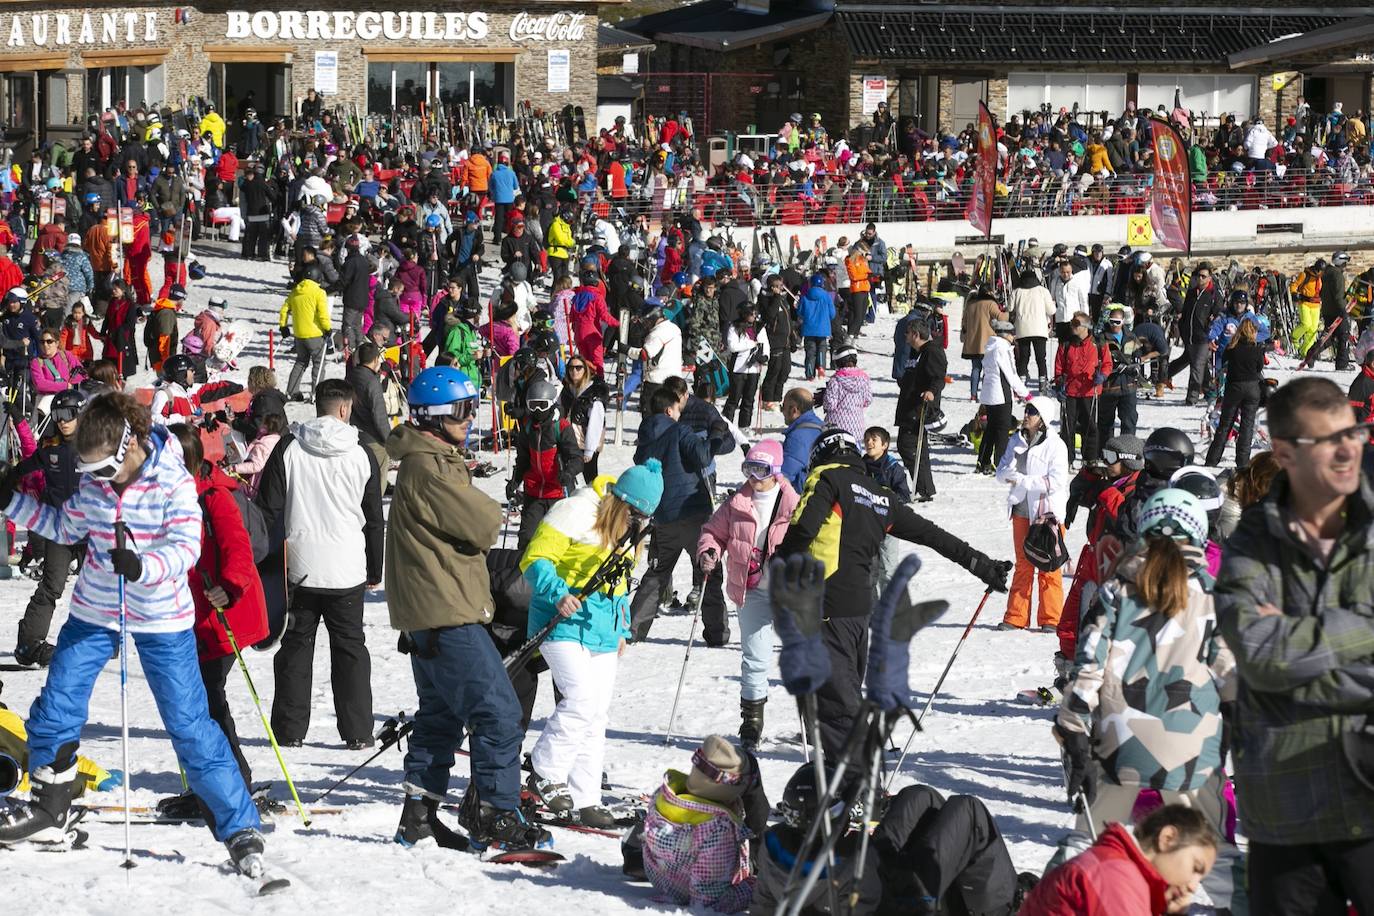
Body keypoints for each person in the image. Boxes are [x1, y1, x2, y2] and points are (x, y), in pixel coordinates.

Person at [0, 393, 267, 879]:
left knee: (189, 722)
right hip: (96, 611)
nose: (97, 482)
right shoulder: (94, 484)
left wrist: (145, 566)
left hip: (161, 615)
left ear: (128, 447)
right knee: (57, 703)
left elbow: (187, 548)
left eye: (102, 471)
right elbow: (64, 524)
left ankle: (238, 826)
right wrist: (13, 503)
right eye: (89, 473)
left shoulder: (173, 482)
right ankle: (49, 802)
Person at [1214, 377, 1374, 913]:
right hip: (1287, 803)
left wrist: (1301, 643)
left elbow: (1282, 655)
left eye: (1350, 435)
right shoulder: (1252, 543)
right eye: (1325, 442)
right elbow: (1262, 654)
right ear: (1283, 453)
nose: (1346, 451)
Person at [387, 366, 551, 853]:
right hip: (446, 610)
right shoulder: (428, 467)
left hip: (435, 610)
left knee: (439, 718)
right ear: (438, 416)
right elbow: (483, 524)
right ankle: (495, 814)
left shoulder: (432, 461)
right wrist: (482, 500)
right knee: (498, 714)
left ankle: (418, 815)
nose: (470, 418)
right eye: (463, 411)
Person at [778, 426, 1011, 760]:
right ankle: (844, 787)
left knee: (837, 711)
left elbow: (802, 529)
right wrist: (981, 564)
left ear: (821, 456)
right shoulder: (880, 495)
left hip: (825, 609)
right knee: (839, 702)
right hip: (858, 614)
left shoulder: (827, 479)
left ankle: (855, 795)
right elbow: (933, 534)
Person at [1057, 488, 1234, 840]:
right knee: (1215, 855)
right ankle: (1232, 889)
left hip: (1121, 745)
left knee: (1086, 849)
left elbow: (1088, 665)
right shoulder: (1213, 595)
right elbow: (1231, 674)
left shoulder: (1116, 592)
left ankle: (1075, 888)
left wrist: (1073, 730)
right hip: (1190, 748)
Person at [521, 460, 661, 827]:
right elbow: (535, 558)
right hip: (560, 622)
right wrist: (557, 593)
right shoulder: (577, 509)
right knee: (580, 700)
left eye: (644, 519)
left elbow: (617, 583)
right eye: (635, 515)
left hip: (602, 631)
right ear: (622, 503)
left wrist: (621, 628)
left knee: (596, 713)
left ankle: (586, 798)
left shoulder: (629, 529)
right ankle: (545, 773)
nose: (638, 525)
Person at [255, 379, 384, 748]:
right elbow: (373, 516)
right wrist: (375, 566)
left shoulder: (290, 448)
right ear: (346, 408)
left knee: (296, 646)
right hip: (346, 566)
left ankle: (289, 730)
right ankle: (358, 731)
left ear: (318, 407)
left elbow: (269, 510)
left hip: (301, 564)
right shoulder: (363, 452)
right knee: (350, 648)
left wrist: (266, 565)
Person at [753, 763, 1023, 915]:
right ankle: (1008, 908)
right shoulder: (852, 863)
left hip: (873, 875)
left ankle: (960, 885)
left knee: (920, 795)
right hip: (906, 901)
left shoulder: (773, 845)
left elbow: (764, 906)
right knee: (968, 811)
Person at [164, 424, 269, 802]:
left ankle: (229, 782)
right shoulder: (172, 497)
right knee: (198, 701)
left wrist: (229, 586)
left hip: (222, 613)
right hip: (194, 615)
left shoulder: (214, 497)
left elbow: (239, 549)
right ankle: (219, 780)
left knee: (205, 700)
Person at [697, 441, 798, 749]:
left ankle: (813, 720)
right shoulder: (737, 503)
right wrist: (709, 550)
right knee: (755, 658)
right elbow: (712, 532)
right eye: (749, 469)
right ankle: (751, 723)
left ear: (776, 471)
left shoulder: (794, 504)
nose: (754, 477)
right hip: (751, 589)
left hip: (789, 592)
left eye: (761, 470)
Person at [628, 385, 728, 642]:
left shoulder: (645, 440)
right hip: (693, 512)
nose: (679, 414)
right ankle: (716, 632)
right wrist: (716, 435)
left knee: (657, 574)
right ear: (668, 409)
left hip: (663, 516)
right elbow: (704, 457)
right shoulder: (679, 430)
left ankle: (633, 630)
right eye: (677, 409)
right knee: (709, 571)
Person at [1019, 804, 1218, 915]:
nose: (1194, 887)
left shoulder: (1120, 869)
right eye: (1195, 867)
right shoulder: (1114, 877)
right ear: (1168, 839)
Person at [642, 735, 760, 913]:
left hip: (659, 878)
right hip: (693, 892)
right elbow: (707, 902)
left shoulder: (663, 794)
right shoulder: (718, 828)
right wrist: (753, 887)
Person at [11, 388, 84, 666]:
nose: (63, 420)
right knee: (51, 585)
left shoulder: (95, 447)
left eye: (69, 414)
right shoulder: (50, 447)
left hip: (91, 530)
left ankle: (101, 640)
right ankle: (29, 642)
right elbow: (27, 464)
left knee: (97, 586)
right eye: (58, 415)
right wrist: (9, 477)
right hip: (60, 529)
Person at [996, 396, 1069, 632]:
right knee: (1023, 563)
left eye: (1032, 412)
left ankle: (1051, 618)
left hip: (1046, 514)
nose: (1026, 415)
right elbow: (1001, 471)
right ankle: (1016, 616)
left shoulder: (1056, 445)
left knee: (1049, 564)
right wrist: (1008, 475)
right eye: (1026, 410)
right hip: (1021, 510)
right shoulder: (1015, 440)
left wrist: (1024, 481)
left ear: (1043, 419)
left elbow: (1057, 481)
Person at [508, 379, 582, 548]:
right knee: (527, 539)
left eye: (542, 405)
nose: (538, 410)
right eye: (533, 405)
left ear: (551, 404)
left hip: (558, 492)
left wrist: (568, 473)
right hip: (534, 493)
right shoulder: (527, 427)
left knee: (556, 540)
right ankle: (521, 573)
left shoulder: (561, 427)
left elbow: (576, 458)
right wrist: (515, 481)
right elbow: (523, 460)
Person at [1203, 318, 1266, 468]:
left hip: (1234, 387)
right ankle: (1242, 463)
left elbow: (1223, 362)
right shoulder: (1257, 349)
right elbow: (1259, 368)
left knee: (1225, 425)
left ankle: (1212, 460)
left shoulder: (1232, 348)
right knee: (1247, 426)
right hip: (1252, 388)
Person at [894, 318, 945, 501]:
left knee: (908, 446)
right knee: (914, 447)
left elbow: (938, 377)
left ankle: (923, 488)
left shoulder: (932, 351)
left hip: (919, 408)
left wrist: (931, 392)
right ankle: (924, 489)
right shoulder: (916, 353)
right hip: (909, 406)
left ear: (916, 334)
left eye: (908, 333)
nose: (906, 336)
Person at [1054, 312, 1111, 465]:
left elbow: (1107, 364)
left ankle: (1090, 459)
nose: (1073, 326)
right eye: (1072, 323)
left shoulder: (1099, 343)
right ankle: (1066, 458)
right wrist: (1059, 384)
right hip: (1070, 392)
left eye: (1076, 324)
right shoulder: (1065, 344)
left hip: (1089, 391)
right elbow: (1059, 368)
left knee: (1090, 427)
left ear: (1085, 327)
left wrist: (1103, 376)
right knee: (1067, 428)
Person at [977, 319, 1027, 475]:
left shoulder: (991, 346)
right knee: (1002, 430)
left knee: (991, 428)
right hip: (1001, 393)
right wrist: (1026, 393)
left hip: (989, 393)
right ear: (1006, 335)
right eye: (1012, 334)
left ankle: (983, 461)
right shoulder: (1003, 348)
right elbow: (1010, 374)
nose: (1014, 337)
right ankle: (1001, 463)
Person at [278, 267, 331, 402]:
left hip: (299, 335)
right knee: (319, 363)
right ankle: (316, 393)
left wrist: (283, 326)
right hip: (315, 334)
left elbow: (284, 310)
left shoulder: (295, 291)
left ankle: (292, 391)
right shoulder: (319, 293)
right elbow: (322, 314)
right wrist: (327, 328)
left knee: (301, 362)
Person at [560, 357, 608, 484]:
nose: (574, 371)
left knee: (591, 479)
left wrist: (589, 449)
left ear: (585, 370)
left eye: (578, 368)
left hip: (585, 443)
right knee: (566, 475)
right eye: (571, 368)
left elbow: (596, 425)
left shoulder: (593, 395)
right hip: (569, 441)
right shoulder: (567, 390)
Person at [347, 341, 391, 475]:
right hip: (373, 438)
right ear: (376, 359)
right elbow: (379, 416)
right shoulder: (372, 383)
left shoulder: (351, 375)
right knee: (378, 478)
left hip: (355, 433)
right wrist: (389, 440)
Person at [723, 303, 768, 430]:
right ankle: (726, 425)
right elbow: (733, 346)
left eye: (754, 313)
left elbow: (765, 344)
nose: (754, 316)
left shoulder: (759, 327)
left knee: (749, 400)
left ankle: (744, 426)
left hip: (754, 368)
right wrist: (751, 344)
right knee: (734, 399)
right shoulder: (735, 326)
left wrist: (765, 356)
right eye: (750, 313)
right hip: (738, 368)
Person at [1010, 269, 1056, 391]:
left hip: (1022, 329)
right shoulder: (1043, 291)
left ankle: (1022, 383)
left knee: (1024, 358)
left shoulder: (1017, 291)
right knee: (1041, 357)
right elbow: (1052, 310)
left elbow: (1010, 308)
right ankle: (1042, 383)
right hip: (1040, 329)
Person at [961, 287, 1007, 401]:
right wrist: (1008, 311)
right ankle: (986, 394)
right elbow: (1001, 317)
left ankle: (973, 394)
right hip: (987, 342)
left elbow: (964, 323)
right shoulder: (990, 304)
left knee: (975, 369)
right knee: (988, 370)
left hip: (973, 343)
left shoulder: (970, 304)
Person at [821, 339, 871, 441]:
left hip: (836, 426)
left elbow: (830, 404)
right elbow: (868, 400)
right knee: (855, 452)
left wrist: (824, 398)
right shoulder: (864, 378)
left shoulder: (835, 380)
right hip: (856, 425)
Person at [779, 388, 824, 492]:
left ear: (794, 410)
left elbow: (784, 476)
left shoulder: (798, 438)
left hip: (808, 497)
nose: (782, 412)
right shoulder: (820, 426)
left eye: (783, 407)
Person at [797, 272, 835, 380]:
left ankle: (810, 373)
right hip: (823, 329)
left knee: (810, 352)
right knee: (822, 349)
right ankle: (821, 367)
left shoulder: (805, 297)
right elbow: (832, 313)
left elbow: (800, 312)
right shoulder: (826, 296)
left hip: (809, 329)